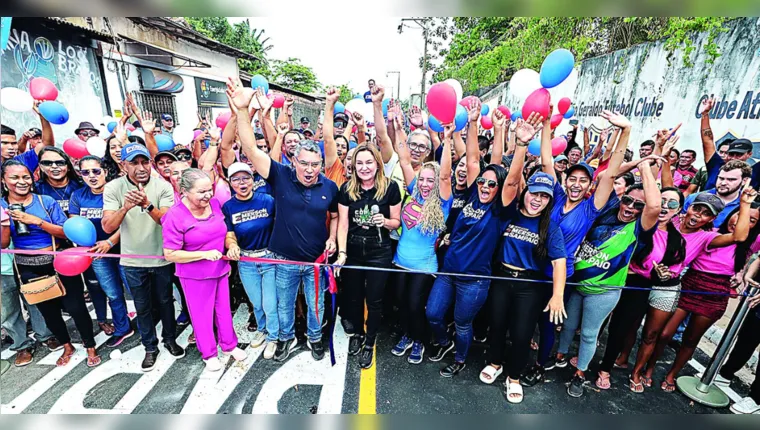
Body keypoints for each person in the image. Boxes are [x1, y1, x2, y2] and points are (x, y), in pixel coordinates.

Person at [228, 79, 339, 362]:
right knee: (285, 306)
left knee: (316, 307)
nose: (310, 169)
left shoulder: (329, 187)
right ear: (294, 161)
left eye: (315, 164)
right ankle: (286, 339)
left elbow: (336, 216)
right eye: (304, 163)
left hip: (316, 261)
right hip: (283, 261)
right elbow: (252, 150)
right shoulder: (280, 176)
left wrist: (332, 238)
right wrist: (243, 111)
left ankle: (315, 339)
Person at [524, 109, 629, 388]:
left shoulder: (590, 208)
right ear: (566, 180)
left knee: (548, 323)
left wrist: (624, 131)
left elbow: (611, 173)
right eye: (573, 178)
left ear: (589, 185)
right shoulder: (555, 195)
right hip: (534, 266)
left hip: (561, 273)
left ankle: (540, 365)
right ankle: (528, 351)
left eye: (583, 180)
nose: (576, 184)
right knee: (528, 317)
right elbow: (547, 160)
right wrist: (546, 124)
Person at [472, 110, 567, 404]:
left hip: (530, 286)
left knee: (523, 332)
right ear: (526, 193)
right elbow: (511, 182)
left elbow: (559, 262)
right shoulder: (510, 212)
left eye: (544, 196)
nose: (537, 199)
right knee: (497, 325)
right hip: (502, 278)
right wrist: (522, 145)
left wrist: (557, 296)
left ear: (549, 200)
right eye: (534, 193)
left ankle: (514, 375)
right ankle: (496, 363)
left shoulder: (549, 227)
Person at [554, 142, 661, 398]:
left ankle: (579, 374)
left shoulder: (640, 228)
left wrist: (646, 167)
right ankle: (558, 355)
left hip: (603, 292)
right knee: (568, 326)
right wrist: (634, 163)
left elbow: (654, 207)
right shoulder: (604, 212)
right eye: (627, 201)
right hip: (576, 283)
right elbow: (605, 177)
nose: (631, 208)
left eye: (638, 206)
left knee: (590, 335)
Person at [629, 191, 756, 391]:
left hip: (694, 291)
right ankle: (635, 364)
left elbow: (739, 237)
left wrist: (745, 203)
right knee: (648, 329)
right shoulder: (669, 220)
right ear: (688, 207)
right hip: (662, 281)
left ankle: (657, 373)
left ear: (712, 219)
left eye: (705, 213)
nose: (698, 215)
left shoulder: (708, 237)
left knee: (673, 337)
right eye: (696, 208)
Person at [1, 160, 101, 367]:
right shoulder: (2, 206)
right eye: (14, 177)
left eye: (25, 177)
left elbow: (66, 231)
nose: (21, 182)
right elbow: (3, 243)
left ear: (32, 178)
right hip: (27, 265)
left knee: (76, 306)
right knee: (48, 311)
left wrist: (35, 221)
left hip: (59, 260)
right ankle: (67, 346)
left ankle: (90, 345)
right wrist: (4, 223)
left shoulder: (45, 201)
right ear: (3, 181)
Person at [102, 142, 183, 372]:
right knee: (142, 306)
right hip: (132, 261)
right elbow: (108, 226)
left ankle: (169, 339)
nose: (141, 167)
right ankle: (150, 346)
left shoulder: (163, 186)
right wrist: (125, 207)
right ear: (124, 165)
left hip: (161, 258)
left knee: (166, 302)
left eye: (145, 161)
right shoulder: (113, 188)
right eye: (134, 163)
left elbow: (167, 222)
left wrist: (146, 204)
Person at [162, 168, 247, 371]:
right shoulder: (174, 216)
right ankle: (209, 353)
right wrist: (203, 254)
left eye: (210, 189)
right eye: (201, 192)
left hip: (220, 270)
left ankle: (229, 345)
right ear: (184, 191)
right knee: (202, 315)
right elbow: (170, 254)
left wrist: (232, 245)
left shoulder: (215, 204)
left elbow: (225, 232)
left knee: (224, 311)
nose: (208, 195)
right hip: (194, 276)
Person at [390, 121, 452, 365]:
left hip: (424, 266)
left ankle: (419, 341)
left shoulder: (443, 201)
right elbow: (404, 160)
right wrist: (398, 126)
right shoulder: (414, 189)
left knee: (416, 306)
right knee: (402, 305)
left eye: (430, 180)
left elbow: (446, 174)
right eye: (423, 179)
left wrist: (446, 140)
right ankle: (407, 334)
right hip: (400, 262)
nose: (425, 184)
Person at [335, 143, 402, 368]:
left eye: (369, 162)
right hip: (353, 250)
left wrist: (385, 222)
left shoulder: (390, 188)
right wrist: (342, 253)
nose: (364, 167)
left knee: (374, 300)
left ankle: (370, 342)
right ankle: (356, 335)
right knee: (353, 296)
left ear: (377, 164)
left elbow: (396, 222)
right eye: (360, 163)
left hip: (379, 251)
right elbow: (342, 225)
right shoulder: (346, 189)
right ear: (354, 166)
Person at [69, 156, 134, 347]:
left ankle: (151, 323)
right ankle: (123, 328)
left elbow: (130, 222)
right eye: (85, 172)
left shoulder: (118, 192)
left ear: (105, 171)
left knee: (135, 290)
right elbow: (74, 225)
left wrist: (109, 241)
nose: (91, 176)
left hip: (125, 249)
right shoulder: (78, 196)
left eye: (96, 171)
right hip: (97, 254)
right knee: (113, 293)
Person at [222, 162, 277, 358]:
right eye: (236, 179)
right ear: (230, 183)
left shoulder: (268, 201)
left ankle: (273, 337)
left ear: (253, 180)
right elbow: (229, 234)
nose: (242, 182)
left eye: (246, 178)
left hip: (270, 259)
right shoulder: (228, 207)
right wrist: (232, 245)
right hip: (246, 261)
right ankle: (262, 330)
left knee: (270, 302)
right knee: (257, 301)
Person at [1, 205, 57, 367]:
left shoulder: (8, 202)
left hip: (24, 261)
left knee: (35, 298)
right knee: (7, 309)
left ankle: (46, 335)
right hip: (2, 269)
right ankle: (21, 345)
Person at [722, 257, 760, 414]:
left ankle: (756, 399)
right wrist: (748, 275)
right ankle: (726, 372)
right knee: (746, 338)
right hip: (757, 298)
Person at [683, 160, 752, 227]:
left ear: (744, 181)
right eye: (721, 178)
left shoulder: (745, 207)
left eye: (731, 179)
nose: (723, 183)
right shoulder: (694, 198)